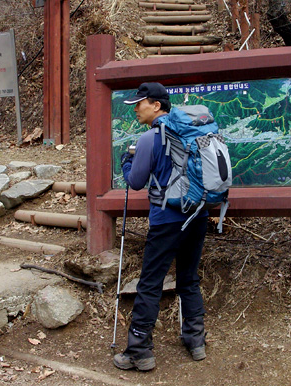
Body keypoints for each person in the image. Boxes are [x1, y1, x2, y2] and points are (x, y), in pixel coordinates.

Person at [113, 82, 208, 372]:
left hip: (167, 220)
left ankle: (139, 351)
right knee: (189, 279)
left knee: (151, 283)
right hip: (198, 215)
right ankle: (196, 342)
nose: (136, 109)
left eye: (140, 104)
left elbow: (136, 181)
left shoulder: (149, 138)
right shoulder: (194, 130)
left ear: (157, 105)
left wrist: (126, 162)